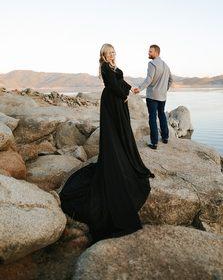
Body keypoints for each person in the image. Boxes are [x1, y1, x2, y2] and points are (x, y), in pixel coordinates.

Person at [58, 43, 155, 244]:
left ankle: (124, 157)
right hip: (111, 103)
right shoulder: (104, 67)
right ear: (103, 55)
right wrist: (124, 94)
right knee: (113, 135)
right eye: (109, 53)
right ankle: (115, 159)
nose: (112, 55)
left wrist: (131, 88)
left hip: (118, 103)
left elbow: (120, 81)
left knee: (122, 134)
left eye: (113, 53)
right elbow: (112, 86)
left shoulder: (112, 67)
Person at [133, 44, 173, 149]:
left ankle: (154, 142)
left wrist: (139, 88)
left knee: (152, 118)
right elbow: (171, 80)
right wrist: (164, 90)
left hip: (152, 96)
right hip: (162, 96)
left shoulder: (152, 64)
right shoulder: (166, 65)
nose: (148, 53)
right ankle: (165, 138)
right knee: (162, 115)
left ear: (157, 52)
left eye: (150, 51)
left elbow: (149, 79)